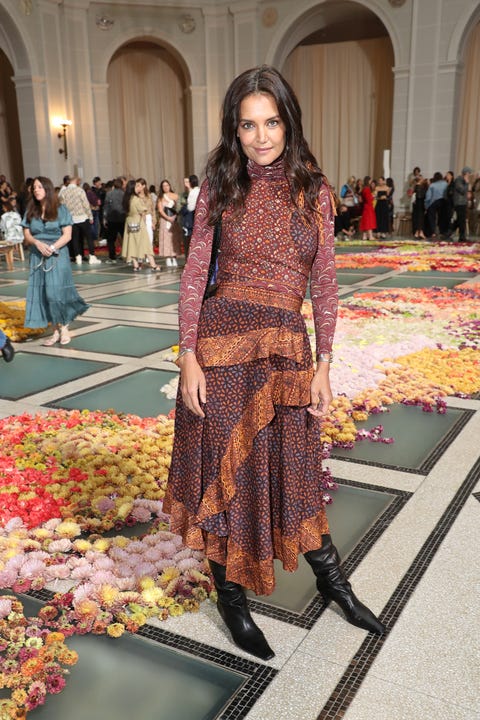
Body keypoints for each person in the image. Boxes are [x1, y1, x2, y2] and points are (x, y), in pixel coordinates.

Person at [164, 65, 385, 662]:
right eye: (247, 125)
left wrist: (326, 363)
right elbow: (193, 274)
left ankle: (333, 583)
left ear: (288, 122)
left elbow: (326, 283)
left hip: (288, 348)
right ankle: (231, 600)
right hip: (223, 347)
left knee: (293, 470)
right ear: (234, 131)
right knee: (225, 476)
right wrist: (187, 355)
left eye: (271, 122)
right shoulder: (220, 184)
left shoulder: (312, 188)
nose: (261, 136)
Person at [22, 176, 90, 345]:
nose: (35, 190)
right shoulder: (31, 210)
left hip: (57, 256)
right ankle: (54, 331)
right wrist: (37, 243)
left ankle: (65, 328)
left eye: (39, 187)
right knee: (44, 294)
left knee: (57, 293)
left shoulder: (61, 209)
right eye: (34, 187)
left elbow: (67, 235)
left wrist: (52, 248)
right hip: (37, 256)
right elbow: (27, 233)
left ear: (47, 189)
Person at [59, 176, 101, 264]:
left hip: (72, 219)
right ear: (77, 181)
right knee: (89, 237)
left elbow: (62, 205)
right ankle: (92, 257)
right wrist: (90, 216)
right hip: (82, 217)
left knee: (75, 238)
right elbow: (85, 204)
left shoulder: (64, 192)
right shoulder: (80, 190)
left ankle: (78, 257)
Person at [121, 178, 160, 272]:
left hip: (129, 223)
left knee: (132, 244)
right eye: (136, 186)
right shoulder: (136, 199)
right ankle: (153, 265)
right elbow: (143, 212)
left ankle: (136, 265)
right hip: (138, 222)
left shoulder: (126, 199)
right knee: (146, 244)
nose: (138, 188)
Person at [157, 179, 182, 267]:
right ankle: (167, 257)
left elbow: (179, 207)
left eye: (167, 185)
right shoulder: (160, 197)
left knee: (174, 239)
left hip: (174, 220)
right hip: (165, 220)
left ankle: (174, 257)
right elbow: (160, 210)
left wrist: (174, 216)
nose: (165, 187)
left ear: (170, 186)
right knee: (166, 238)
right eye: (163, 186)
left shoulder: (175, 196)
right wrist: (168, 218)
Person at [103, 177, 126, 263]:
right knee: (125, 238)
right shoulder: (124, 194)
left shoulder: (109, 194)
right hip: (122, 218)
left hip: (111, 219)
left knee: (111, 239)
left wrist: (104, 218)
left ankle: (112, 257)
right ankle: (127, 255)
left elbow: (106, 207)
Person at [448, 167, 473, 242]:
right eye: (469, 174)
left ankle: (449, 233)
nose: (469, 175)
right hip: (459, 203)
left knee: (459, 220)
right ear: (465, 173)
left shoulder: (462, 180)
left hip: (463, 203)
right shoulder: (459, 180)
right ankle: (462, 237)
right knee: (461, 220)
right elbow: (462, 190)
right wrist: (467, 183)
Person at [179, 174, 200, 257]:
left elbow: (191, 207)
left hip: (191, 219)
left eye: (187, 182)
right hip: (197, 219)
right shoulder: (199, 190)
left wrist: (184, 208)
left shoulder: (193, 192)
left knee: (189, 241)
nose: (185, 183)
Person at [425, 171, 447, 239]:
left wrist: (426, 205)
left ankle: (433, 232)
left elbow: (428, 196)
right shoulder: (445, 184)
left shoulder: (432, 185)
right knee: (442, 217)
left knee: (432, 218)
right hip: (443, 201)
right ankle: (442, 231)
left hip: (434, 202)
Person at [359, 175, 376, 240]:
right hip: (368, 207)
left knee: (365, 221)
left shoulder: (364, 189)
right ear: (368, 181)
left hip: (366, 207)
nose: (371, 182)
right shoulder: (367, 189)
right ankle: (370, 236)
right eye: (370, 181)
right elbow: (369, 199)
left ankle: (364, 236)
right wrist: (373, 196)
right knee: (369, 221)